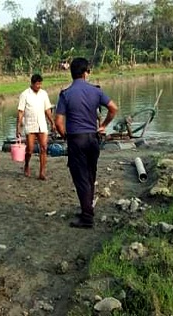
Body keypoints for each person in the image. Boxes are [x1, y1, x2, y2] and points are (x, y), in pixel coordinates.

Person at [55, 57, 118, 229]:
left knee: (81, 178)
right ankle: (87, 209)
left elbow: (58, 122)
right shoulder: (96, 91)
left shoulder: (66, 94)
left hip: (77, 139)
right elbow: (114, 108)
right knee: (90, 175)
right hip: (93, 139)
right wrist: (103, 126)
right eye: (89, 71)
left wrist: (65, 136)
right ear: (85, 73)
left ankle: (87, 217)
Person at [16, 74, 55, 180]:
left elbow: (47, 109)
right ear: (32, 84)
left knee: (43, 147)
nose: (39, 86)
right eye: (37, 84)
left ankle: (42, 172)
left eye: (40, 84)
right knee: (30, 149)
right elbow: (20, 112)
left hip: (42, 125)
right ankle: (27, 165)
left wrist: (52, 122)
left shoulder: (44, 94)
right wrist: (18, 128)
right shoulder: (25, 94)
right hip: (30, 125)